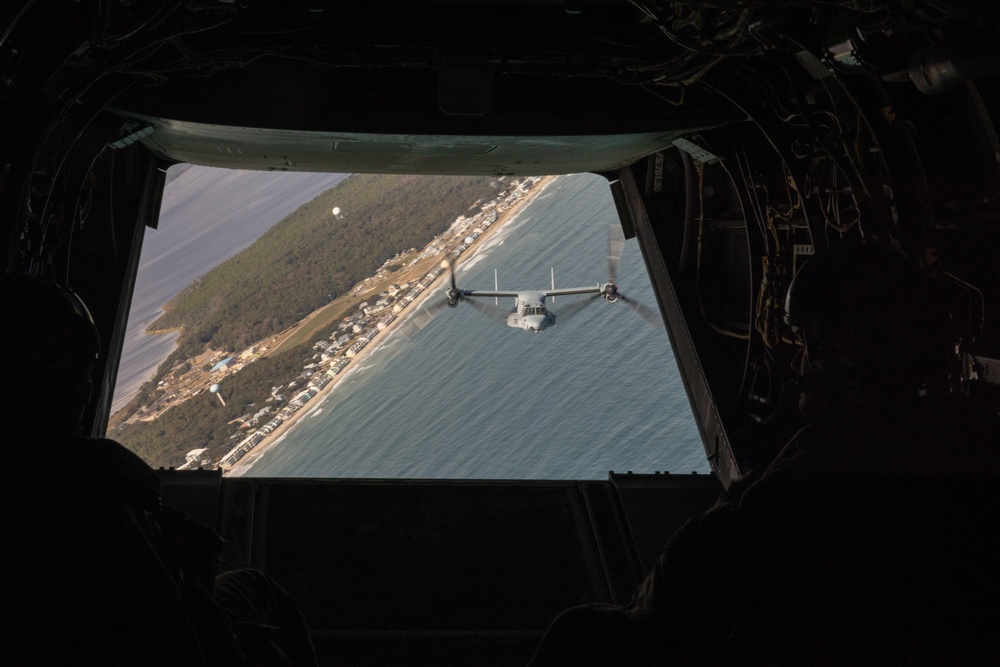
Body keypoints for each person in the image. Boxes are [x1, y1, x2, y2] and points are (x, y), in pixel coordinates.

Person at [529, 242, 1000, 665]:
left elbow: (709, 574)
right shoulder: (968, 433)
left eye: (809, 349)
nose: (799, 366)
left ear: (846, 350)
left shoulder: (813, 482)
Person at [0, 273, 318, 666]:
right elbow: (165, 614)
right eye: (79, 372)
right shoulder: (97, 482)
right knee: (257, 590)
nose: (86, 386)